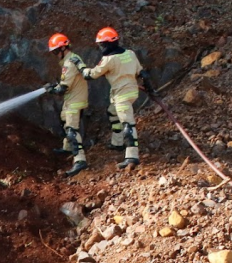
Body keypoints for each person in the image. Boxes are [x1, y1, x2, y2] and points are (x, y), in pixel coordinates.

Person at [78, 27, 154, 169]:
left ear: (106, 44)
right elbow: (142, 73)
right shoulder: (130, 54)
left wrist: (81, 68)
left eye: (101, 44)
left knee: (127, 124)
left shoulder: (109, 59)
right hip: (131, 92)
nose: (101, 47)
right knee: (112, 112)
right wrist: (151, 89)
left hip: (122, 96)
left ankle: (132, 156)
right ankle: (117, 142)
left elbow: (91, 75)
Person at [44, 33, 90, 177]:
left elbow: (62, 89)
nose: (56, 54)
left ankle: (80, 160)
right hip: (73, 99)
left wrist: (51, 89)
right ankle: (68, 148)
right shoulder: (71, 59)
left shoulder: (69, 64)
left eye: (56, 51)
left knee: (72, 130)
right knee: (66, 122)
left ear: (63, 48)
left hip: (75, 101)